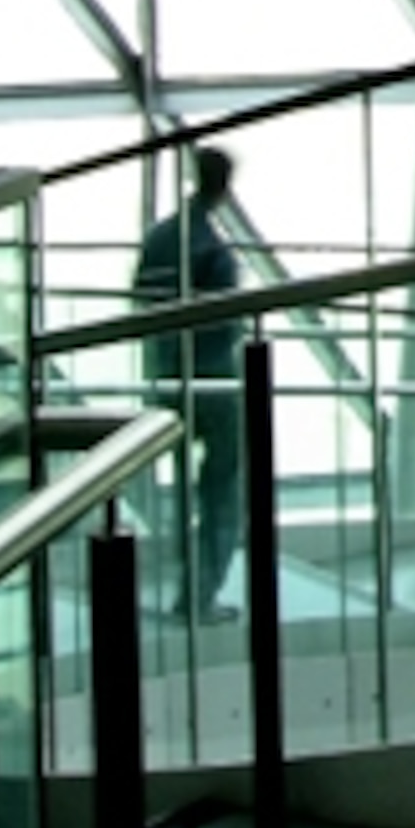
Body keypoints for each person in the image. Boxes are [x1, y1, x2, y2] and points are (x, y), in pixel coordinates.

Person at [132, 145, 245, 622]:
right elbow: (227, 323)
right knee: (222, 489)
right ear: (225, 188)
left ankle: (183, 584)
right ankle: (200, 594)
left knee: (180, 488)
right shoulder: (214, 251)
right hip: (213, 381)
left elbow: (140, 299)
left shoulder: (160, 237)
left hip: (166, 378)